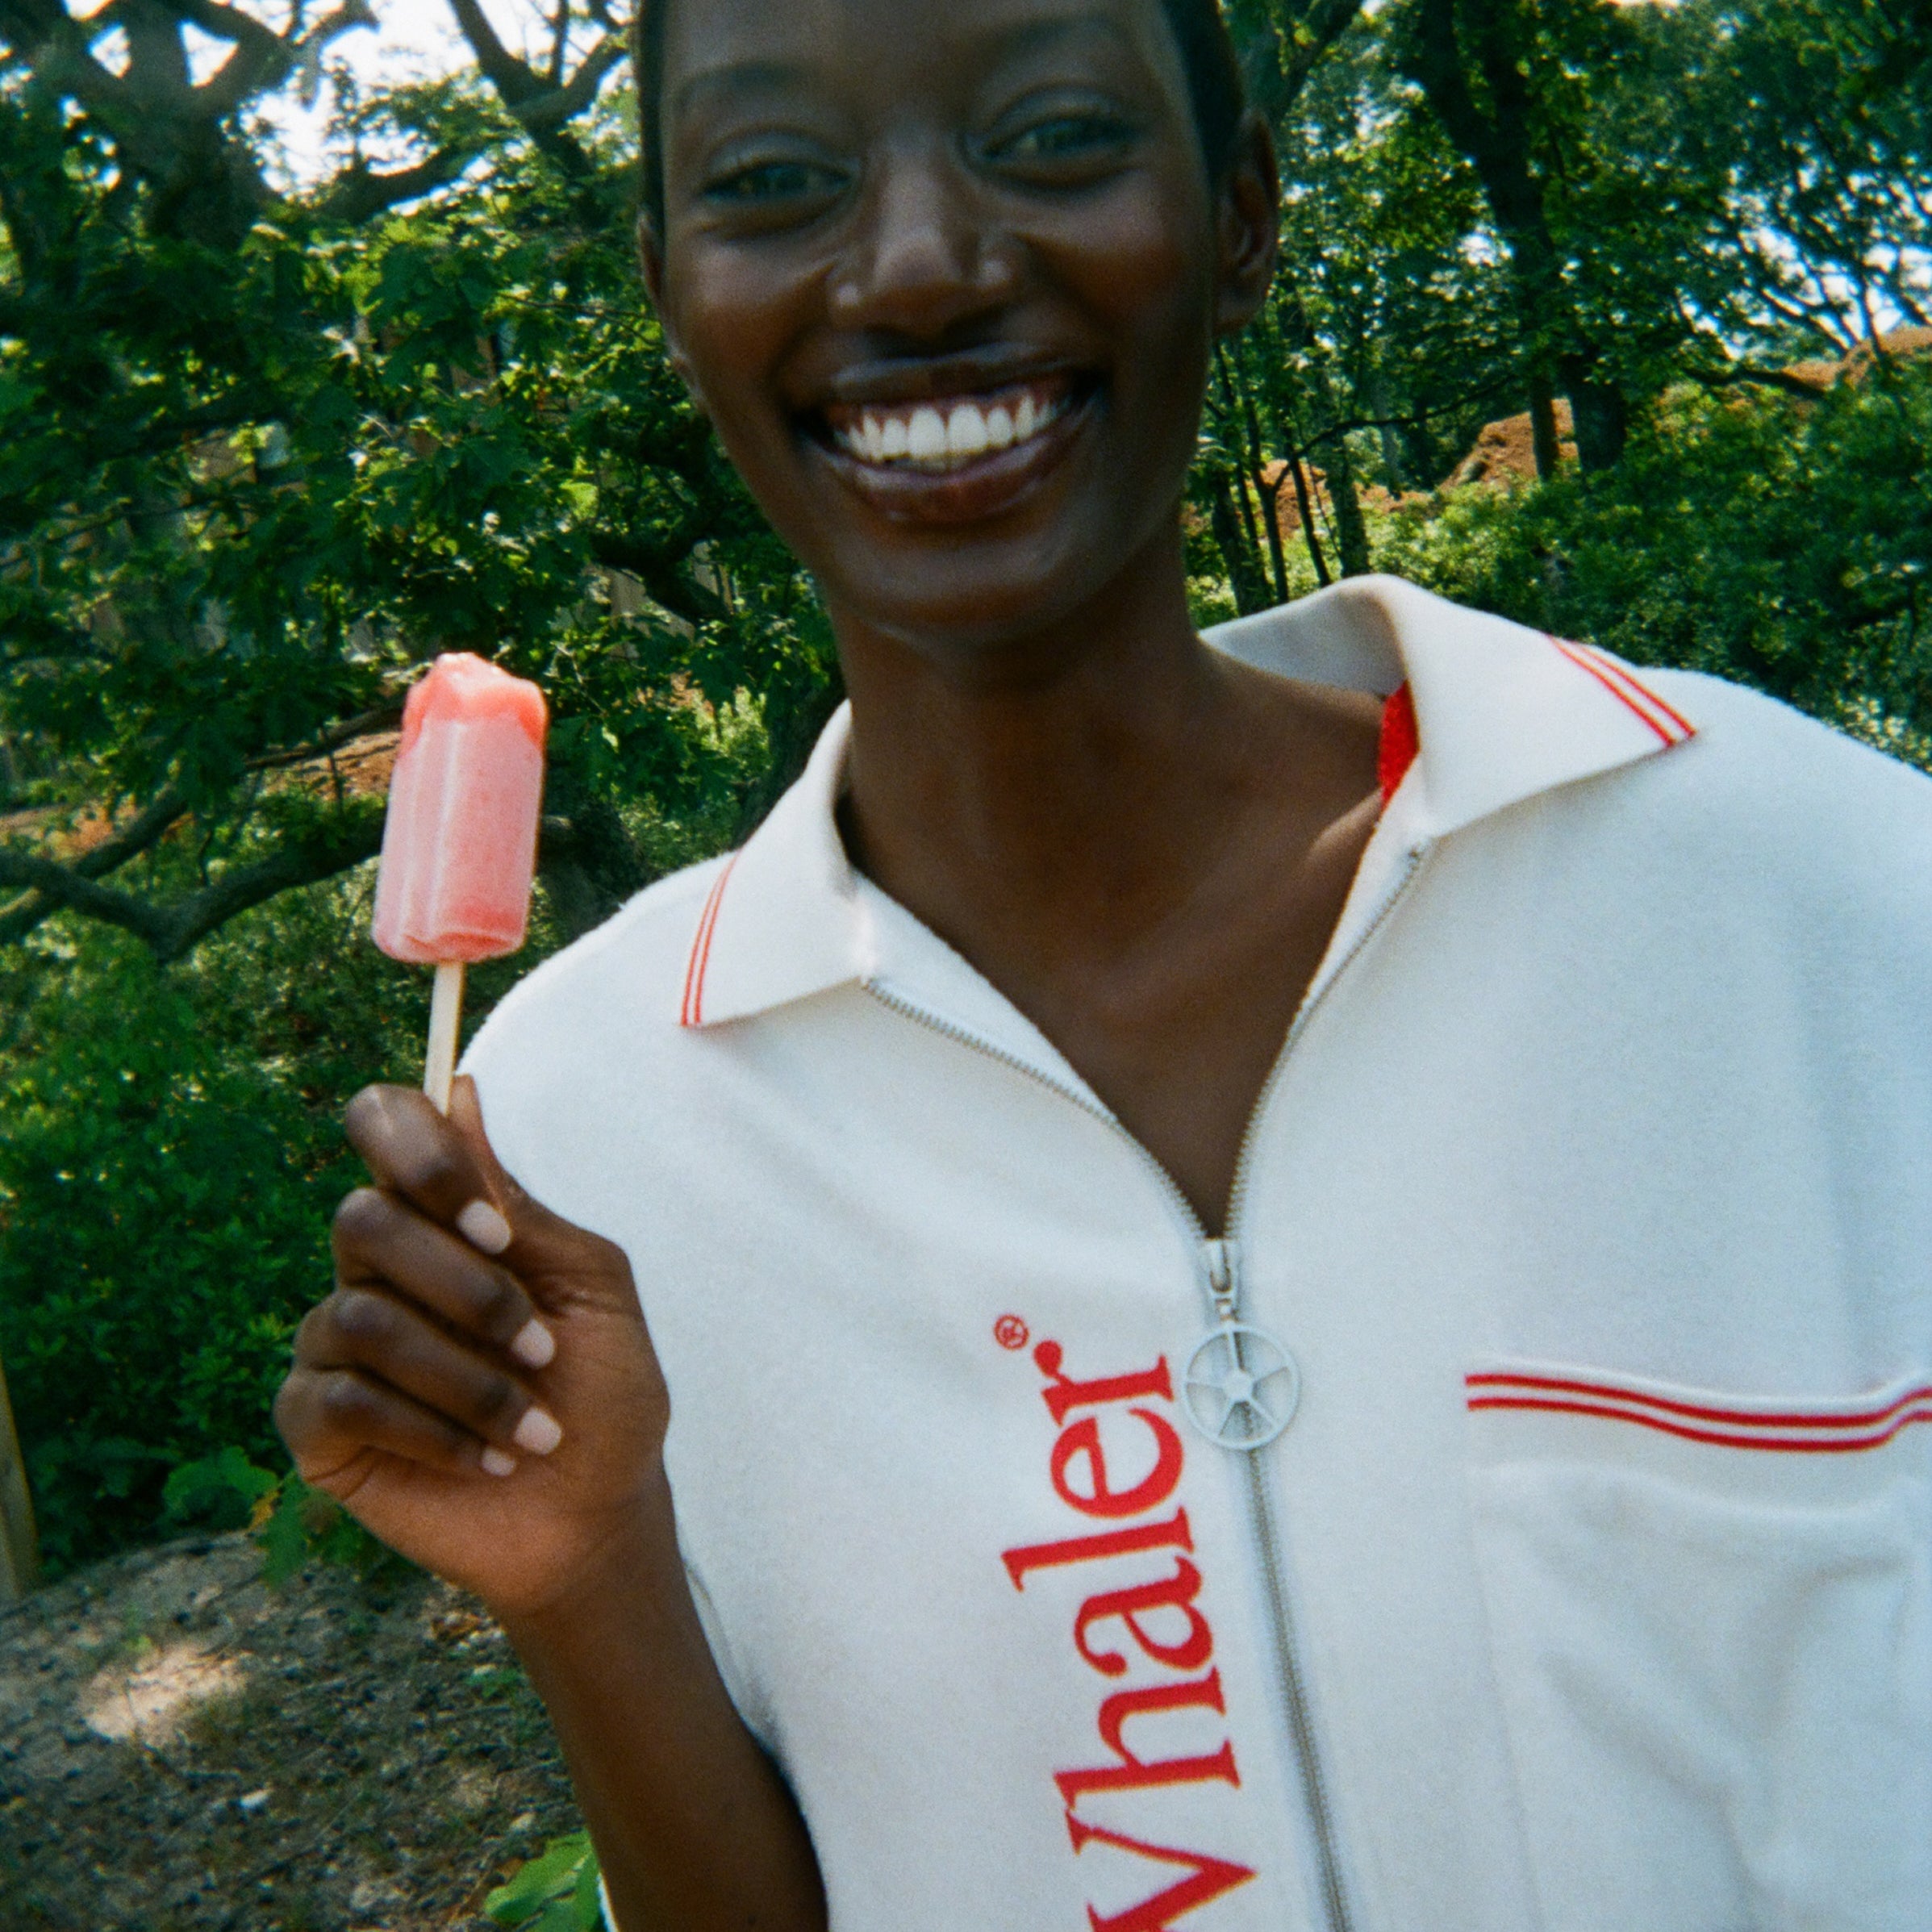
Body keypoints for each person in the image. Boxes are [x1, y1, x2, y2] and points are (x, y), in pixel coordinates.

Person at [274, 0, 1932, 1926]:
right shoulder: (563, 1140)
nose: (911, 266)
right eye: (772, 180)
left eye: (1051, 132)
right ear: (671, 291)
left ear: (1239, 213)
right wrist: (580, 1586)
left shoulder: (1824, 903)